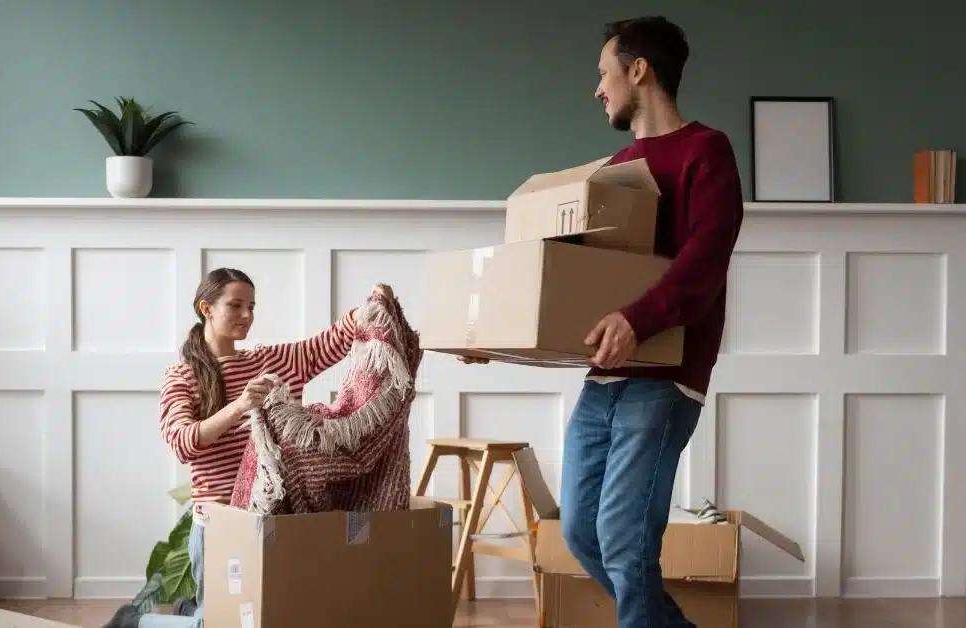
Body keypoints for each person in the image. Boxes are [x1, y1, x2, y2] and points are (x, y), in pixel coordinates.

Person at [461, 16, 743, 628]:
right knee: (584, 531)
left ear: (638, 70)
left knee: (623, 538)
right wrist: (495, 340)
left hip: (667, 374)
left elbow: (705, 262)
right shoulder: (616, 167)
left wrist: (638, 321)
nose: (598, 88)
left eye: (603, 72)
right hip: (607, 373)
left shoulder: (706, 151)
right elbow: (576, 280)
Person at [104, 268, 392, 628]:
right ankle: (135, 623)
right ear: (206, 308)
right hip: (219, 522)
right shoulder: (183, 376)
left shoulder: (270, 361)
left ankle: (184, 613)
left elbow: (330, 341)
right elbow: (182, 441)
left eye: (252, 306)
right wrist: (239, 406)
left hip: (269, 519)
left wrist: (373, 304)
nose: (247, 316)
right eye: (235, 305)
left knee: (261, 617)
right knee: (222, 624)